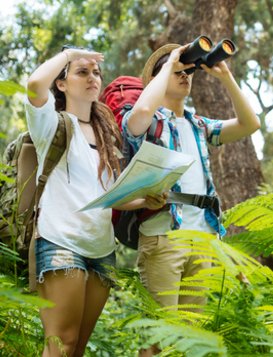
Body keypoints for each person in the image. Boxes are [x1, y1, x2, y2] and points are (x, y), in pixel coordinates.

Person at [25, 46, 169, 357]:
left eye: (96, 72)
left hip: (102, 249)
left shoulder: (107, 133)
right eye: (82, 72)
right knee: (60, 344)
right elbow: (35, 85)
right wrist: (70, 55)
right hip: (60, 241)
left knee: (77, 347)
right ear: (62, 84)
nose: (93, 77)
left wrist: (146, 200)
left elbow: (110, 198)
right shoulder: (51, 124)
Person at [123, 42, 260, 356]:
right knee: (157, 340)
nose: (185, 76)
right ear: (158, 79)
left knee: (189, 341)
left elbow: (250, 124)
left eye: (188, 72)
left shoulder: (199, 126)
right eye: (177, 72)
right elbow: (143, 111)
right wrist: (170, 60)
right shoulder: (145, 121)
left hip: (203, 240)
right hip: (164, 238)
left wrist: (225, 76)